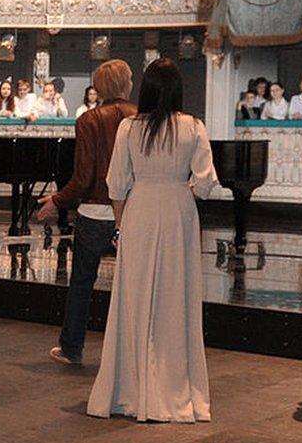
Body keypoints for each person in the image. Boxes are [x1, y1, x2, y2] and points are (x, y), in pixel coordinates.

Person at [87, 58, 218, 423]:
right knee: (176, 298)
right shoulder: (193, 126)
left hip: (139, 211)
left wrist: (119, 226)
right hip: (178, 211)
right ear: (178, 90)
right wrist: (182, 191)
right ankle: (174, 388)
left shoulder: (129, 128)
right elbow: (206, 183)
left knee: (134, 297)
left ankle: (129, 390)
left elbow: (116, 184)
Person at [34, 60, 137, 366]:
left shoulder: (90, 119)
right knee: (133, 287)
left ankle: (71, 348)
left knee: (81, 283)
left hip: (94, 213)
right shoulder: (139, 117)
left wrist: (57, 199)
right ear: (124, 84)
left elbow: (84, 177)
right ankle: (132, 353)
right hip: (131, 212)